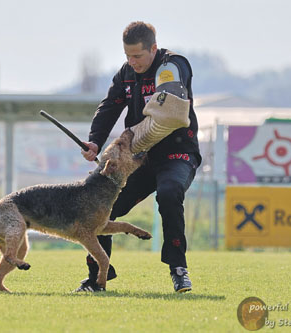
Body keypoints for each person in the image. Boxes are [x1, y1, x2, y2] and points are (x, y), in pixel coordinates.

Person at [76, 21, 201, 293]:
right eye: (127, 56)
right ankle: (98, 276)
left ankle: (178, 269)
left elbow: (171, 114)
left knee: (169, 193)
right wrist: (95, 142)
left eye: (138, 56)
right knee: (101, 206)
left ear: (153, 48)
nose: (132, 62)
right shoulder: (126, 73)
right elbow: (109, 106)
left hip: (176, 153)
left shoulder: (172, 66)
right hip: (139, 158)